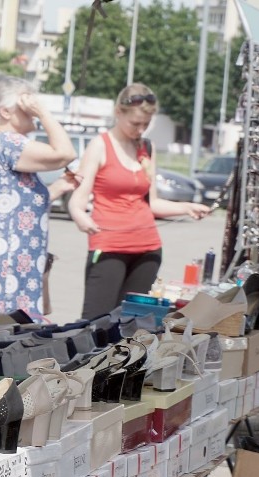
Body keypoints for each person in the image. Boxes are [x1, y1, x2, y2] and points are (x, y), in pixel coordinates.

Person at [68, 83, 212, 321]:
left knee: (130, 324)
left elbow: (152, 203)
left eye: (146, 124)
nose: (140, 129)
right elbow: (78, 199)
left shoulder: (146, 147)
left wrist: (186, 207)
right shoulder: (100, 145)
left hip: (148, 248)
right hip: (110, 246)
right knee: (94, 323)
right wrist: (80, 215)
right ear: (118, 112)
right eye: (135, 123)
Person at [0, 73, 77, 317]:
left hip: (13, 262)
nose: (32, 107)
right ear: (5, 112)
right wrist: (44, 114)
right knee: (2, 338)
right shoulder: (7, 142)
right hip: (4, 265)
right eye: (26, 103)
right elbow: (65, 154)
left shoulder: (6, 144)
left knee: (12, 338)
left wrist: (59, 187)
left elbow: (17, 204)